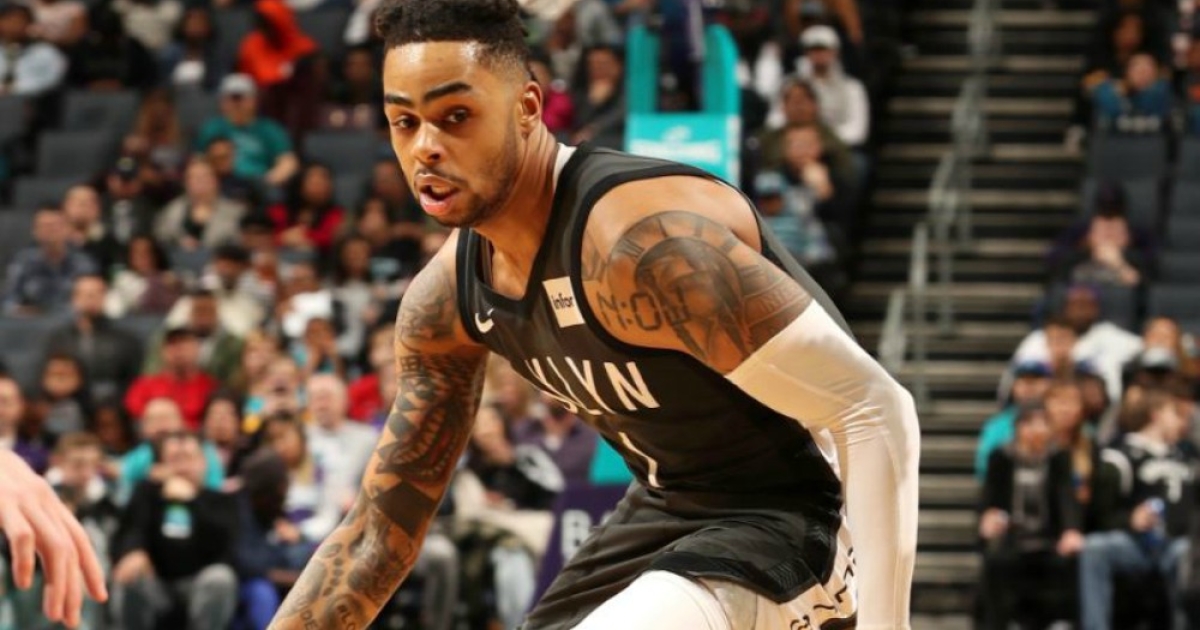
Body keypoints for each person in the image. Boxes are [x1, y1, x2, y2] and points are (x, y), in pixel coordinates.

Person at [268, 1, 919, 629]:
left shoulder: (640, 246)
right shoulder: (444, 300)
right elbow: (376, 537)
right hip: (671, 508)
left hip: (806, 508)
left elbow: (874, 406)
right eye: (404, 122)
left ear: (528, 108)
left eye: (456, 116)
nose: (425, 148)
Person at [0, 449, 108, 629]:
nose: (85, 473)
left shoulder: (99, 503)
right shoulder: (44, 490)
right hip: (31, 576)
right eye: (78, 465)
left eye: (91, 466)